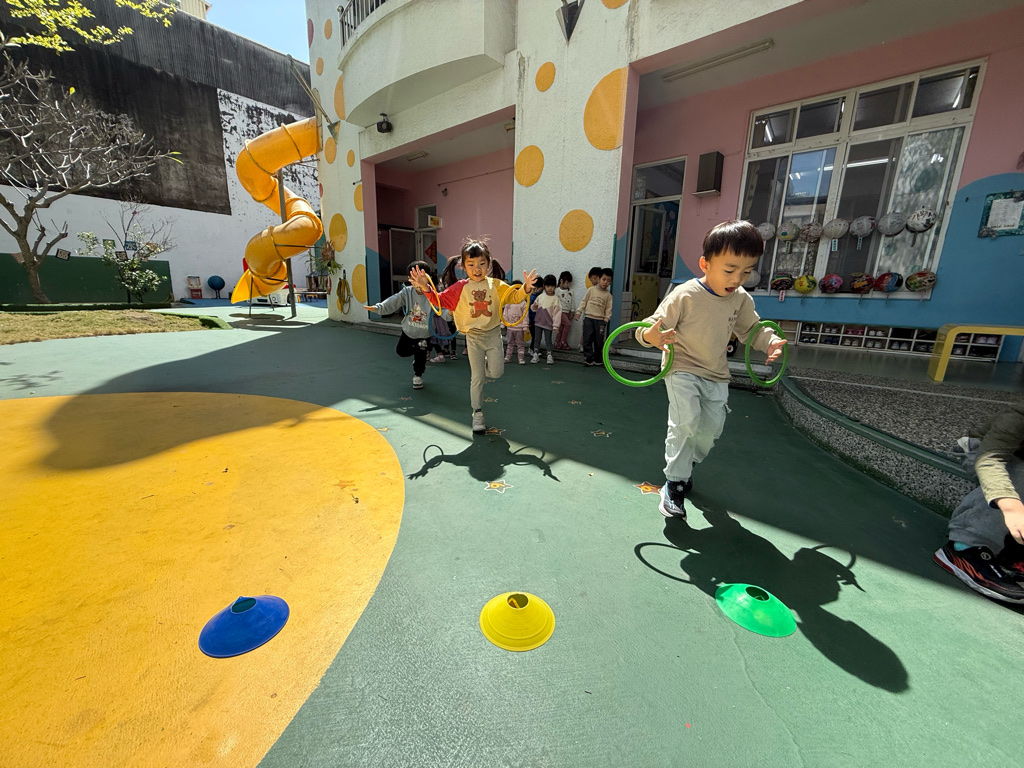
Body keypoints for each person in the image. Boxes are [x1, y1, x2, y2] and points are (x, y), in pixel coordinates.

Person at [636, 220, 786, 518]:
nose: (737, 279)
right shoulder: (685, 295)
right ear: (705, 264)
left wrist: (770, 342)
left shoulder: (741, 299)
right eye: (730, 270)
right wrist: (650, 337)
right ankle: (674, 484)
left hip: (716, 373)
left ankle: (686, 465)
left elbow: (752, 330)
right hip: (681, 367)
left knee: (710, 431)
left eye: (747, 272)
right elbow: (648, 327)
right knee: (686, 421)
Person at [411, 238, 536, 433]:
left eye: (481, 263)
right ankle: (477, 413)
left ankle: (484, 372)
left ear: (488, 263)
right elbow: (439, 301)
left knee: (496, 372)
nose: (477, 269)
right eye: (471, 264)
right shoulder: (460, 287)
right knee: (476, 377)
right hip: (473, 337)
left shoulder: (495, 285)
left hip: (493, 335)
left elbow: (514, 296)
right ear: (463, 266)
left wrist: (526, 288)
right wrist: (426, 287)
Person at [933, 404, 1024, 603]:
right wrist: (1011, 507)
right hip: (984, 452)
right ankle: (965, 547)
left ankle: (1014, 553)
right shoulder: (1017, 416)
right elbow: (989, 461)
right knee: (1018, 476)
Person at [363, 260, 439, 391]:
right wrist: (378, 308)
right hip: (409, 330)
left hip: (425, 333)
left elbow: (443, 309)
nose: (413, 281)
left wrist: (453, 316)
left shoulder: (434, 294)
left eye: (417, 278)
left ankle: (418, 376)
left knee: (420, 357)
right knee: (401, 351)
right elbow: (393, 301)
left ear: (427, 278)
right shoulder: (407, 292)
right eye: (411, 278)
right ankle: (419, 350)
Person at [575, 267, 613, 366]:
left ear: (610, 282)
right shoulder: (591, 290)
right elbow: (583, 301)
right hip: (589, 318)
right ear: (599, 279)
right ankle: (588, 358)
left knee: (599, 340)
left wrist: (606, 319)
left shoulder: (608, 295)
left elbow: (608, 308)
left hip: (600, 320)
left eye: (608, 280)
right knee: (587, 338)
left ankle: (597, 358)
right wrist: (579, 312)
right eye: (604, 279)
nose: (605, 282)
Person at [530, 274, 562, 364]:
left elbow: (557, 314)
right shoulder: (540, 297)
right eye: (548, 286)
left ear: (555, 287)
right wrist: (534, 306)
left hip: (549, 324)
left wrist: (556, 326)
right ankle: (535, 354)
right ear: (544, 286)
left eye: (552, 286)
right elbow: (533, 308)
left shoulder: (556, 299)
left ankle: (549, 355)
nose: (550, 288)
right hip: (538, 322)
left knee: (548, 341)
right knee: (537, 339)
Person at [502, 280, 528, 365]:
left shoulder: (523, 303)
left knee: (520, 344)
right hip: (510, 327)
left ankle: (521, 358)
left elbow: (525, 315)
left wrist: (525, 326)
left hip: (519, 328)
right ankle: (507, 357)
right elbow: (505, 314)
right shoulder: (508, 302)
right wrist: (503, 323)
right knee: (509, 343)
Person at [554, 270, 575, 351]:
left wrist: (572, 310)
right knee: (567, 324)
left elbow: (572, 301)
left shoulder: (570, 291)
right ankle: (563, 341)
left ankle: (557, 342)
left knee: (561, 327)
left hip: (567, 312)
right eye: (567, 282)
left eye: (569, 283)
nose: (568, 285)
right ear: (561, 281)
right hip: (560, 311)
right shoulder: (557, 291)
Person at [527, 276, 544, 358]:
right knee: (535, 336)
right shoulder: (533, 297)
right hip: (533, 321)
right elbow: (529, 311)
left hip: (537, 320)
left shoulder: (535, 296)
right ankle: (532, 349)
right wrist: (530, 321)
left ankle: (535, 349)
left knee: (537, 336)